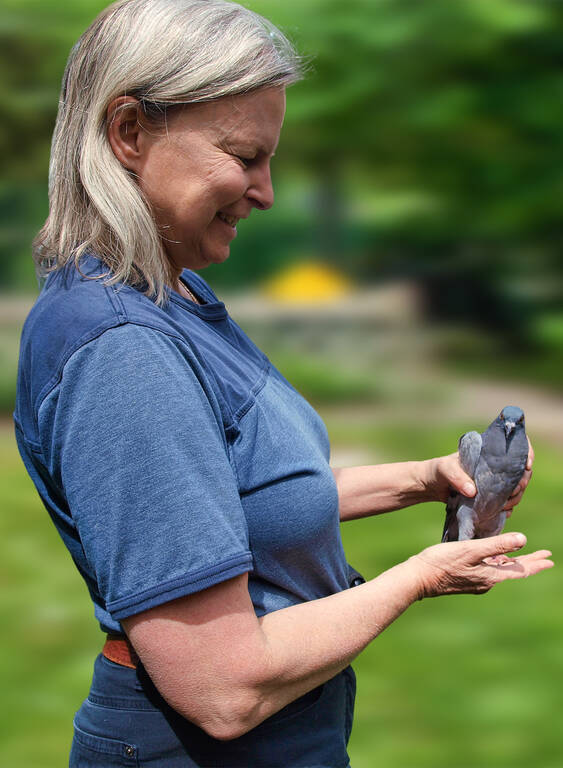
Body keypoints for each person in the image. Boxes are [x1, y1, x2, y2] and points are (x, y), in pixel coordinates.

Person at [14, 1, 552, 766]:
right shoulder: (123, 349)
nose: (265, 192)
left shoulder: (171, 299)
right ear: (128, 132)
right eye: (243, 154)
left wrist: (426, 480)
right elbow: (223, 688)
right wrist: (420, 577)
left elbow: (237, 502)